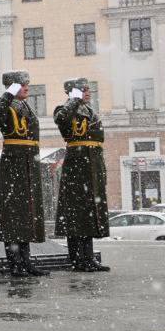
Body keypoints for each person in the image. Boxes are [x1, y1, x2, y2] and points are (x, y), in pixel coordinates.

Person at [0, 70, 48, 277]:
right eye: (22, 84)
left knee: (25, 216)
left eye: (26, 84)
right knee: (13, 216)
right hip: (13, 165)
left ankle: (26, 262)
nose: (27, 87)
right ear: (12, 87)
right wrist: (8, 93)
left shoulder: (25, 106)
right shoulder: (7, 106)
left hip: (28, 164)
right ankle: (15, 264)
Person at [54, 79, 110, 272]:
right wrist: (74, 100)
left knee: (89, 215)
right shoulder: (64, 109)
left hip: (92, 167)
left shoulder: (91, 112)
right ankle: (77, 260)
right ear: (73, 93)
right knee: (76, 216)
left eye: (88, 90)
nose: (88, 92)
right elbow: (62, 119)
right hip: (76, 168)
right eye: (83, 90)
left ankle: (88, 257)